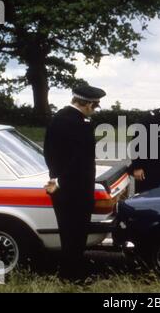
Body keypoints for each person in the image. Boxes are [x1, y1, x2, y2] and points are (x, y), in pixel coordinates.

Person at [43, 85, 105, 281]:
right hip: (74, 189)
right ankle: (72, 277)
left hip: (64, 187)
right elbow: (79, 159)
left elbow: (49, 152)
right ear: (86, 103)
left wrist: (56, 176)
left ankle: (71, 273)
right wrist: (61, 180)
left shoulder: (60, 118)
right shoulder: (77, 123)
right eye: (94, 105)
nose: (94, 109)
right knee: (75, 236)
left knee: (69, 234)